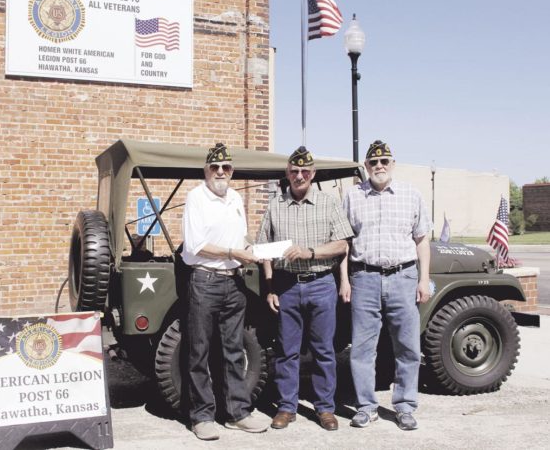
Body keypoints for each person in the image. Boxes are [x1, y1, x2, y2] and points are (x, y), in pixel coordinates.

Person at [257, 146, 354, 431]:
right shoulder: (275, 205)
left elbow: (342, 244)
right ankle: (287, 407)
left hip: (321, 283)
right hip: (286, 285)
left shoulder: (328, 203)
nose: (299, 176)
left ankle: (325, 408)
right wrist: (270, 287)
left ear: (313, 174)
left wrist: (310, 252)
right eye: (294, 171)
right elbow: (264, 249)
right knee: (287, 351)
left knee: (324, 350)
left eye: (304, 171)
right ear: (287, 173)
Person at [340, 139, 431, 431]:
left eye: (384, 161)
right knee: (362, 348)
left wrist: (423, 279)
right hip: (364, 277)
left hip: (403, 276)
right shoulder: (352, 196)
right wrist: (345, 279)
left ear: (393, 164)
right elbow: (344, 243)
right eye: (373, 162)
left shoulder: (411, 195)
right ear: (366, 166)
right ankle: (366, 407)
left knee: (408, 346)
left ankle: (405, 406)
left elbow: (422, 240)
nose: (379, 166)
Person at [181, 142, 269, 440]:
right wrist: (234, 252)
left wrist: (253, 250)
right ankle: (202, 417)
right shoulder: (196, 197)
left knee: (233, 351)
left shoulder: (235, 197)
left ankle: (237, 413)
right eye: (215, 167)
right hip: (205, 280)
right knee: (199, 351)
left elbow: (240, 238)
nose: (221, 172)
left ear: (232, 171)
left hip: (234, 281)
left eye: (226, 167)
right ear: (206, 170)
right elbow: (196, 245)